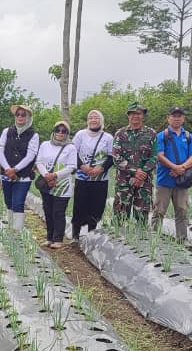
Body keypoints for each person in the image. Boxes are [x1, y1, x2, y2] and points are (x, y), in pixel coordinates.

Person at [152, 105, 192, 240]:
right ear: (168, 118)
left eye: (179, 116)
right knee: (159, 211)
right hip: (164, 180)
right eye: (174, 116)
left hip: (182, 181)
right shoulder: (161, 136)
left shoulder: (189, 137)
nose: (176, 119)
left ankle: (182, 239)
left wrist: (181, 169)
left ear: (183, 119)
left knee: (182, 211)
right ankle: (155, 239)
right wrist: (174, 167)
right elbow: (159, 155)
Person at [72, 109, 114, 241]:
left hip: (100, 179)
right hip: (82, 177)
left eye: (96, 118)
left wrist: (100, 168)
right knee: (79, 205)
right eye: (91, 117)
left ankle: (91, 234)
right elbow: (72, 152)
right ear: (87, 121)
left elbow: (112, 157)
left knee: (97, 207)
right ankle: (75, 236)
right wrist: (82, 166)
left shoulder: (108, 138)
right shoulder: (80, 135)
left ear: (101, 121)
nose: (93, 120)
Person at [34, 121, 77, 247]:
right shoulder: (45, 145)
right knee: (47, 210)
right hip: (46, 183)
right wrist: (47, 175)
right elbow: (39, 161)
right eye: (58, 130)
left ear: (67, 134)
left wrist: (55, 175)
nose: (60, 133)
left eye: (64, 131)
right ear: (53, 131)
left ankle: (58, 239)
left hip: (62, 185)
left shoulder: (71, 148)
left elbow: (72, 166)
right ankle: (49, 237)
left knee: (58, 212)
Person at [112, 102, 156, 223]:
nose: (135, 116)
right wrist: (136, 171)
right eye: (132, 114)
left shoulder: (151, 133)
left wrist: (142, 174)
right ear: (128, 116)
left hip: (144, 182)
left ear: (143, 115)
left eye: (138, 113)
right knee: (119, 217)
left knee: (141, 218)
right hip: (123, 181)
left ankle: (139, 241)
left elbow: (154, 156)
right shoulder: (120, 134)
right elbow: (116, 157)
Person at [0, 104, 39, 230]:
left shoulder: (33, 135)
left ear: (28, 117)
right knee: (8, 202)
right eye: (18, 115)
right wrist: (7, 169)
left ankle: (17, 232)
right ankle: (10, 229)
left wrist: (15, 169)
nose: (20, 117)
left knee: (18, 203)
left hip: (23, 176)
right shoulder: (7, 131)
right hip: (6, 174)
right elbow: (0, 150)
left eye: (23, 115)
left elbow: (31, 155)